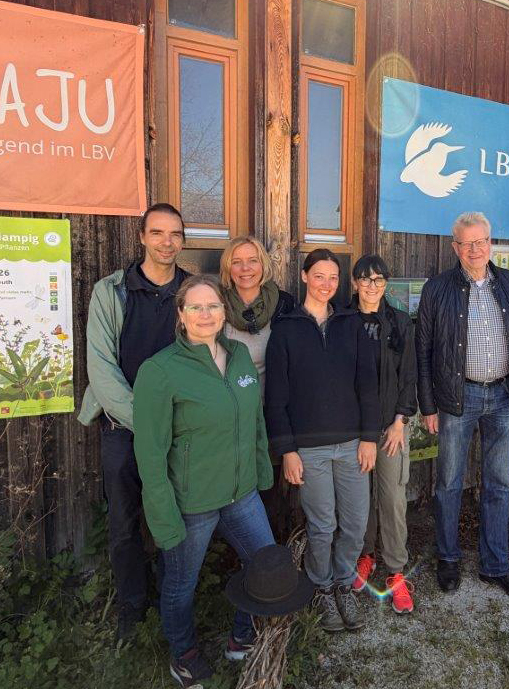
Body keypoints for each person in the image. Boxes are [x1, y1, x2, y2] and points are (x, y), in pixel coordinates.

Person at [132, 275, 275, 688]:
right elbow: (151, 453)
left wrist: (261, 468)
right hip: (192, 503)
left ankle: (241, 637)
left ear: (223, 311)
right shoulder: (159, 371)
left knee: (263, 565)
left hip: (241, 492)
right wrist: (163, 515)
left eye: (213, 305)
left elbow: (255, 421)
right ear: (181, 316)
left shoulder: (240, 357)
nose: (206, 314)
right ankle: (184, 654)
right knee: (181, 583)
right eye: (195, 307)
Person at [77, 202, 190, 641]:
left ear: (183, 240)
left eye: (175, 234)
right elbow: (102, 368)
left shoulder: (192, 292)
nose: (166, 242)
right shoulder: (112, 291)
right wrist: (147, 424)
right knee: (125, 525)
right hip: (124, 431)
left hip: (179, 432)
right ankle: (131, 611)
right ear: (141, 236)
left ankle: (172, 604)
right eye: (157, 233)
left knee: (172, 521)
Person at [416, 211, 509, 603]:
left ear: (491, 243)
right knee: (449, 483)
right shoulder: (437, 289)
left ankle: (495, 565)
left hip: (504, 397)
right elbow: (424, 353)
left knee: (499, 485)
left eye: (481, 241)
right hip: (457, 397)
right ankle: (448, 557)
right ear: (455, 247)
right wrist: (429, 405)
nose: (475, 249)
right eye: (466, 243)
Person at [265, 249, 380, 633]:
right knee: (322, 524)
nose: (326, 284)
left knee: (355, 521)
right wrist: (287, 451)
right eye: (319, 276)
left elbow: (367, 383)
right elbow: (276, 396)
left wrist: (369, 438)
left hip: (351, 445)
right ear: (303, 276)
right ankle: (321, 586)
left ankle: (344, 582)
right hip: (308, 450)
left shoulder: (351, 324)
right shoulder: (285, 328)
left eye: (333, 277)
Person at [348, 254, 419, 614]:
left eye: (378, 279)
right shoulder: (342, 321)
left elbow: (409, 376)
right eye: (365, 279)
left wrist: (399, 422)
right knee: (359, 500)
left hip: (388, 428)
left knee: (391, 498)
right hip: (352, 431)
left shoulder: (399, 322)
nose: (372, 286)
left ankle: (395, 569)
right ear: (355, 283)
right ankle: (365, 555)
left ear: (386, 284)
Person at [220, 236, 296, 390]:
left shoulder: (283, 304)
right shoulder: (216, 303)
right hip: (227, 405)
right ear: (228, 268)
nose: (245, 268)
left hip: (269, 406)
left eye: (253, 260)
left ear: (263, 265)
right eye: (236, 262)